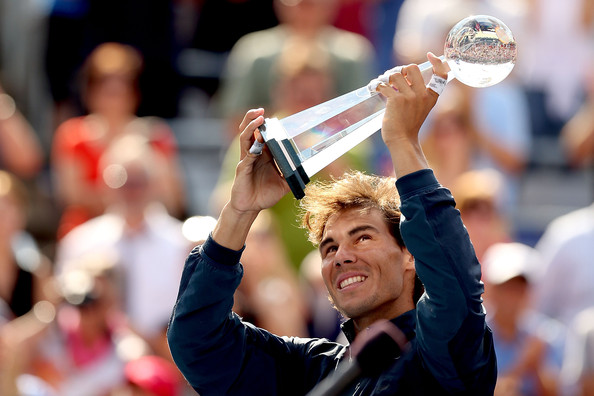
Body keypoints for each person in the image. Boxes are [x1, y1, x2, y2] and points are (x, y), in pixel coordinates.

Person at [167, 53, 497, 395]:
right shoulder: (309, 369)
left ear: (410, 254)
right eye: (329, 247)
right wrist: (240, 211)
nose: (341, 256)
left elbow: (456, 288)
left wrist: (403, 142)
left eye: (363, 237)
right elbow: (197, 342)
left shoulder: (443, 353)